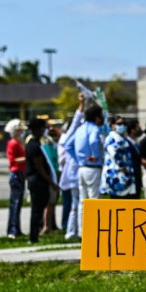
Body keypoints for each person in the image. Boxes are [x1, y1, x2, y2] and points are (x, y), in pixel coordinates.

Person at [68, 104, 104, 237]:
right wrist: (95, 155)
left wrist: (78, 159)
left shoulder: (80, 129)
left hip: (81, 168)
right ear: (97, 117)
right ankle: (94, 232)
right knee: (94, 200)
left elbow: (68, 145)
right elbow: (94, 141)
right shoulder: (94, 128)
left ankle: (83, 231)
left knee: (83, 201)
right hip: (93, 168)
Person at [26, 118, 59, 244]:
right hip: (37, 181)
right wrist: (51, 182)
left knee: (38, 209)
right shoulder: (34, 146)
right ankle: (33, 236)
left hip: (37, 180)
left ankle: (34, 235)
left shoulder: (35, 143)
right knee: (37, 210)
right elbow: (39, 167)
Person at [58, 93, 85, 240]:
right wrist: (81, 104)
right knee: (77, 204)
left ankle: (73, 231)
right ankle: (74, 231)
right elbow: (76, 121)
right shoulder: (70, 137)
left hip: (75, 174)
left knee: (76, 205)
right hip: (74, 175)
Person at [100, 116, 137, 199]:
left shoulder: (122, 138)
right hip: (116, 176)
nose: (122, 126)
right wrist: (122, 166)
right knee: (117, 202)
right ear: (112, 126)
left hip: (124, 176)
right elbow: (115, 154)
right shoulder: (111, 138)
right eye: (119, 124)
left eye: (124, 124)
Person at [5, 119, 27, 239]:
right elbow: (12, 160)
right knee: (15, 202)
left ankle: (16, 229)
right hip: (16, 173)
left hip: (20, 172)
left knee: (18, 203)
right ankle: (12, 230)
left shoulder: (18, 142)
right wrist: (26, 157)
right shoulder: (12, 143)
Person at [41, 124, 61, 233]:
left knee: (53, 203)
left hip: (56, 176)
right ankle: (46, 226)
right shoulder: (46, 145)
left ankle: (52, 224)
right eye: (51, 134)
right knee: (49, 203)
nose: (53, 136)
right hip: (51, 177)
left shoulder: (55, 145)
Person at [126, 119, 143, 199]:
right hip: (131, 180)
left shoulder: (135, 143)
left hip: (136, 179)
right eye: (137, 128)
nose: (139, 130)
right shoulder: (127, 144)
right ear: (132, 130)